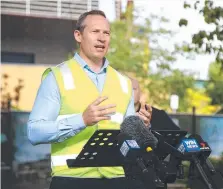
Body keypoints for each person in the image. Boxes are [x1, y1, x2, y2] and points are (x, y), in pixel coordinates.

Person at [27, 10, 151, 189]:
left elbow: (129, 139)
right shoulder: (56, 77)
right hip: (71, 179)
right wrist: (82, 120)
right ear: (78, 35)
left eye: (106, 33)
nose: (102, 38)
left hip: (118, 179)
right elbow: (34, 132)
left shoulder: (124, 83)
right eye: (95, 32)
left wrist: (141, 127)